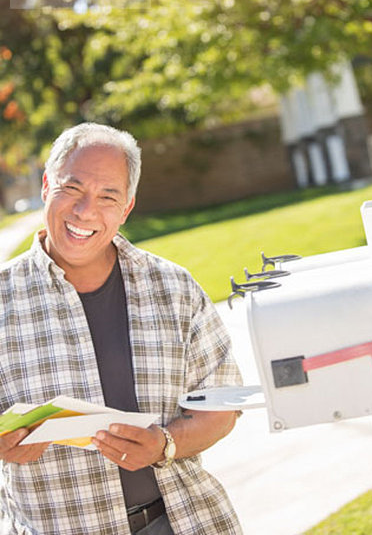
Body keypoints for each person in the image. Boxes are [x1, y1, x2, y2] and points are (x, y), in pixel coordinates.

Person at [0, 123, 243, 535]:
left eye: (107, 196)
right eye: (72, 189)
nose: (85, 211)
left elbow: (222, 405)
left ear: (127, 207)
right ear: (46, 185)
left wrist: (166, 444)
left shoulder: (175, 288)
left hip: (184, 522)